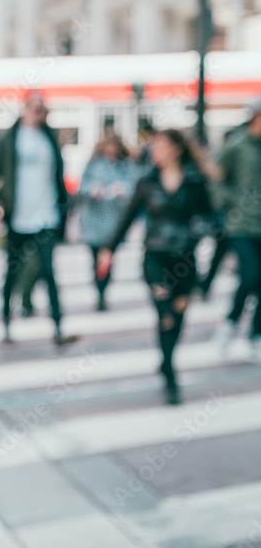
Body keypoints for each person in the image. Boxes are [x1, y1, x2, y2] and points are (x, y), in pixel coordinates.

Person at [98, 129, 215, 405]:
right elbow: (127, 217)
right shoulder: (147, 182)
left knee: (179, 316)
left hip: (185, 259)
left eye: (160, 147)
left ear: (175, 148)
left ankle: (166, 359)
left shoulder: (195, 181)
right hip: (156, 258)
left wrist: (199, 231)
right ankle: (171, 377)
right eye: (153, 147)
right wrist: (108, 250)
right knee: (166, 315)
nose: (154, 152)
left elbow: (212, 216)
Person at [0, 92, 73, 345]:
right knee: (12, 271)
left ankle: (57, 327)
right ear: (24, 109)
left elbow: (58, 176)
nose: (38, 113)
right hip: (17, 217)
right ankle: (6, 324)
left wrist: (64, 207)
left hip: (47, 217)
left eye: (42, 109)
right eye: (33, 108)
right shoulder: (10, 138)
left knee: (49, 272)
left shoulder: (50, 138)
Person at [212, 97, 261, 358]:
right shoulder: (238, 145)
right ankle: (230, 322)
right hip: (242, 224)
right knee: (250, 275)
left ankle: (256, 333)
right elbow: (217, 178)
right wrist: (231, 201)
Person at [76, 134, 141, 311]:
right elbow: (81, 188)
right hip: (93, 221)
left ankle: (103, 290)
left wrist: (123, 190)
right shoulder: (94, 163)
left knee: (108, 258)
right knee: (95, 258)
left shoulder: (127, 166)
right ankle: (99, 291)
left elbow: (136, 189)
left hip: (114, 223)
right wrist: (93, 190)